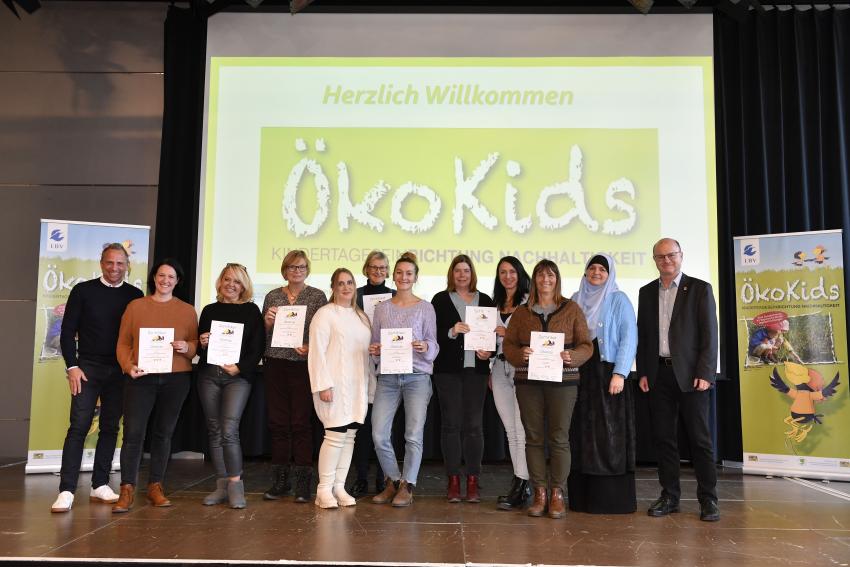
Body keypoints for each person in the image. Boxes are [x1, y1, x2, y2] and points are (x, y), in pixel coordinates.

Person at [51, 244, 143, 513]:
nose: (115, 268)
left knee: (110, 428)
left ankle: (100, 484)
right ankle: (66, 490)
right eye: (109, 262)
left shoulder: (135, 296)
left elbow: (138, 335)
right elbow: (67, 332)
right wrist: (72, 367)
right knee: (78, 427)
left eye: (120, 263)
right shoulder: (83, 291)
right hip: (87, 369)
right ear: (101, 263)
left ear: (127, 266)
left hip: (120, 371)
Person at [637, 238, 720, 522]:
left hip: (692, 376)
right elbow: (644, 335)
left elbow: (710, 335)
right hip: (658, 375)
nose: (666, 260)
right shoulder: (646, 292)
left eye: (671, 255)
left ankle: (709, 499)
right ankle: (670, 496)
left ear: (681, 256)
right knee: (664, 439)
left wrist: (706, 373)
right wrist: (644, 371)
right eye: (660, 257)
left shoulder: (699, 289)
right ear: (654, 260)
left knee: (700, 440)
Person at [503, 259, 592, 519]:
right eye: (541, 276)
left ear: (557, 279)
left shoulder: (571, 308)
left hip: (563, 383)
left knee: (559, 438)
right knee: (533, 438)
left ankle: (557, 493)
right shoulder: (522, 313)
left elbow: (586, 345)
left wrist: (572, 357)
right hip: (528, 384)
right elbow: (509, 346)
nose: (545, 280)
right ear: (534, 280)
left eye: (551, 275)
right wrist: (520, 354)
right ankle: (539, 492)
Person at [112, 258, 199, 513]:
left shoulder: (187, 310)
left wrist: (187, 347)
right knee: (133, 434)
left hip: (176, 379)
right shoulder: (135, 306)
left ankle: (155, 486)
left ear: (178, 281)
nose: (165, 280)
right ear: (154, 277)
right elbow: (123, 343)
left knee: (164, 434)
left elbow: (194, 344)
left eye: (171, 277)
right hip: (141, 378)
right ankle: (127, 488)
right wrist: (128, 366)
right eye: (161, 275)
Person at [567, 254, 638, 514]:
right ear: (585, 272)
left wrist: (620, 373)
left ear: (610, 274)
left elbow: (629, 337)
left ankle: (609, 499)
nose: (596, 272)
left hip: (608, 375)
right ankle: (581, 498)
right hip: (579, 374)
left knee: (608, 435)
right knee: (581, 433)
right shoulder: (575, 299)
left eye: (602, 269)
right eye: (592, 268)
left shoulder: (619, 299)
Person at [368, 252, 438, 507]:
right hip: (388, 377)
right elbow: (375, 343)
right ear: (393, 275)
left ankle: (408, 485)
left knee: (413, 434)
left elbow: (434, 345)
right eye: (399, 272)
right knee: (378, 433)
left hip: (417, 377)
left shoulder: (426, 307)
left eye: (409, 273)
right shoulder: (382, 309)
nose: (404, 277)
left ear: (415, 277)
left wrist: (425, 347)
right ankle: (393, 480)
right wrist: (375, 350)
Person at [196, 263, 265, 509]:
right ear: (220, 282)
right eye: (227, 279)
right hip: (208, 375)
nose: (231, 285)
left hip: (237, 377)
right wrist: (202, 342)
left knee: (229, 429)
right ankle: (221, 485)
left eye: (237, 281)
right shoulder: (209, 310)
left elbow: (257, 347)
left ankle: (236, 485)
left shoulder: (251, 310)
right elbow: (199, 347)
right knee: (214, 430)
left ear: (243, 286)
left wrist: (240, 368)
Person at [262, 250, 327, 503]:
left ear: (307, 270)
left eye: (301, 267)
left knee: (301, 423)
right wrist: (267, 323)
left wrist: (310, 346)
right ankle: (280, 481)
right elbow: (262, 334)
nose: (296, 271)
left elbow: (322, 332)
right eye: (292, 267)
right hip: (275, 364)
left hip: (302, 365)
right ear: (284, 270)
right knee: (278, 423)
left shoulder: (317, 296)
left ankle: (303, 483)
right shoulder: (273, 296)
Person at [431, 254, 495, 503]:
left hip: (476, 372)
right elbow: (431, 333)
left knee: (474, 426)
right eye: (457, 270)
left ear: (472, 274)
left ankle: (473, 480)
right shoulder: (439, 299)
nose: (461, 275)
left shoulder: (485, 300)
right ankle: (453, 480)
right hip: (448, 372)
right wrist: (451, 331)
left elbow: (493, 335)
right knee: (451, 425)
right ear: (451, 273)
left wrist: (489, 352)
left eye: (466, 270)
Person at [308, 268, 373, 508]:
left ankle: (339, 487)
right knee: (335, 436)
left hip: (356, 388)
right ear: (333, 287)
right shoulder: (324, 314)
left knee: (349, 437)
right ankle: (323, 490)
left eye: (350, 283)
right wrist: (323, 385)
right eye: (341, 283)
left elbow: (365, 355)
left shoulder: (361, 316)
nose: (346, 287)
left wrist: (370, 387)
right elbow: (316, 353)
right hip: (333, 387)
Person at [349, 251, 395, 498]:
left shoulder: (396, 297)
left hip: (389, 367)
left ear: (388, 271)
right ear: (366, 269)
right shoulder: (354, 295)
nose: (378, 271)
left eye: (383, 267)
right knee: (362, 427)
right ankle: (361, 478)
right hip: (359, 364)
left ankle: (382, 478)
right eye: (374, 267)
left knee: (383, 427)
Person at [490, 256, 532, 511]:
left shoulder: (530, 302)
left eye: (512, 271)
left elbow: (535, 337)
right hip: (498, 367)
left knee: (521, 429)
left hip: (521, 369)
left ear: (520, 274)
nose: (507, 276)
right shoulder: (493, 304)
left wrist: (510, 335)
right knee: (510, 430)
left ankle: (522, 482)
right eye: (502, 272)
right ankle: (520, 483)